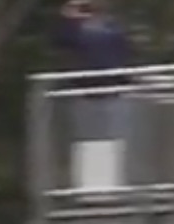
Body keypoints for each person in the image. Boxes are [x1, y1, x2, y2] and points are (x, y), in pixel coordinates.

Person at [56, 0, 135, 192]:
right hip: (92, 94)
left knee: (106, 139)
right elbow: (62, 41)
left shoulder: (107, 31)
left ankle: (109, 186)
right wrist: (70, 19)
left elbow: (116, 53)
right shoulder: (98, 31)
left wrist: (71, 19)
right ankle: (97, 187)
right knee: (93, 140)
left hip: (107, 92)